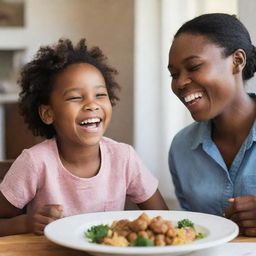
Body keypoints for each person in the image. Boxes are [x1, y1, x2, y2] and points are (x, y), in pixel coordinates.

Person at [0, 38, 168, 236]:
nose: (92, 105)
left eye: (100, 95)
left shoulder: (124, 158)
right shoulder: (35, 162)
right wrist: (25, 224)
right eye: (75, 97)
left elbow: (164, 221)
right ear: (48, 113)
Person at [168, 13, 256, 236]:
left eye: (194, 66)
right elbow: (189, 230)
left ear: (237, 61)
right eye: (174, 74)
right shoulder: (181, 147)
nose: (180, 83)